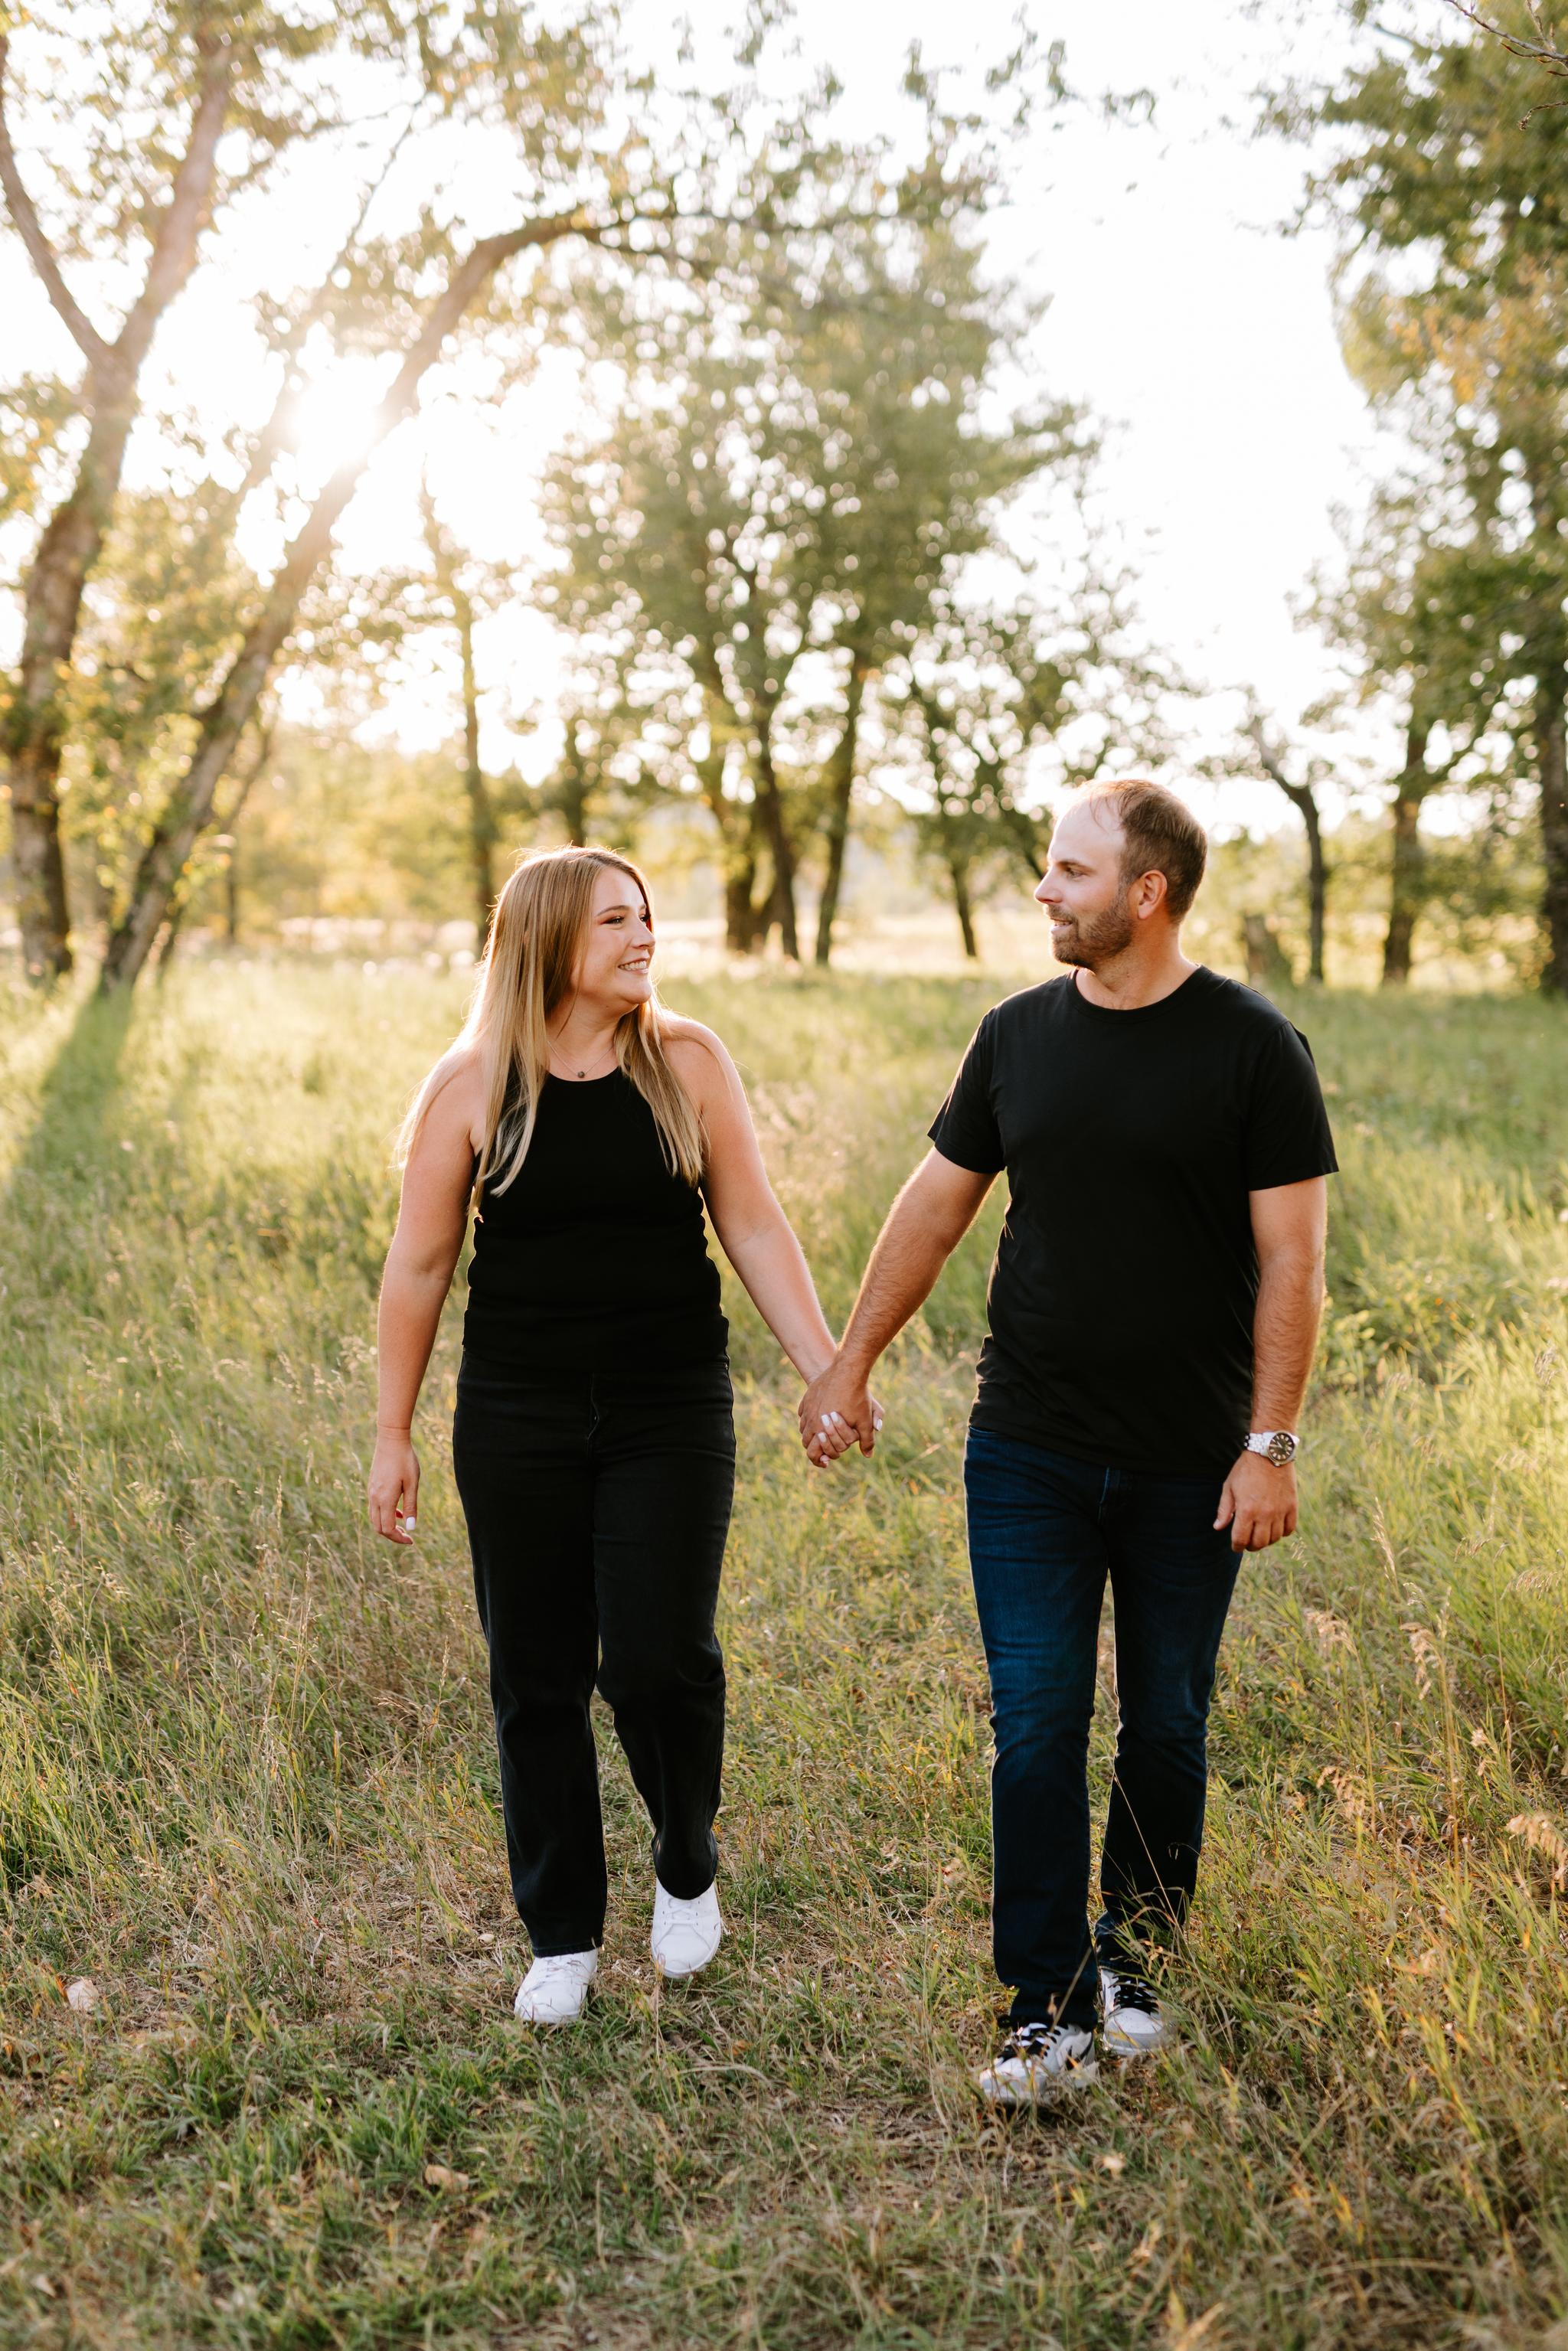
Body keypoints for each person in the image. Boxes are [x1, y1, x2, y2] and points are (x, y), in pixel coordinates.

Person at [800, 779, 1337, 2104]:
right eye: (1048, 870)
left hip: (1185, 1460)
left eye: (1069, 872)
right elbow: (934, 1208)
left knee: (1167, 1719)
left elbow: (1294, 1262)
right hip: (1028, 1447)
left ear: (1145, 893)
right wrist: (848, 1362)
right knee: (1036, 1723)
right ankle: (1040, 2007)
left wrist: (1268, 1442)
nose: (1044, 890)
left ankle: (1135, 1957)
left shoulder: (1254, 1048)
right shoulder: (1015, 1037)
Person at [369, 845, 877, 2026]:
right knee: (533, 1676)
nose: (646, 937)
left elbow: (751, 1223)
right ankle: (561, 1936)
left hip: (667, 1406)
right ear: (550, 941)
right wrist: (391, 1431)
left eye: (646, 917)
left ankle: (685, 1861)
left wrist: (827, 1371)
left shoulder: (685, 1062)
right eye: (616, 922)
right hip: (516, 1412)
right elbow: (421, 1264)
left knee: (658, 1657)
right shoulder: (472, 1084)